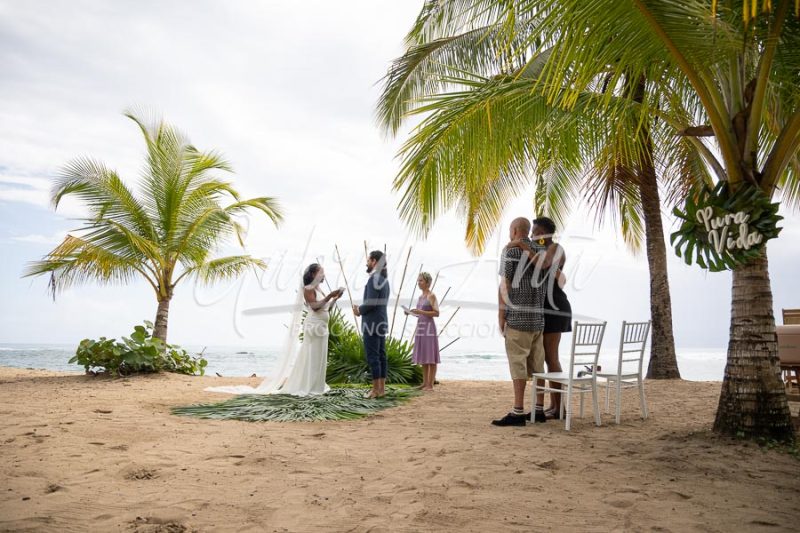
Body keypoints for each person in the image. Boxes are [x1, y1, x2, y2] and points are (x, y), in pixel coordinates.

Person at [205, 263, 342, 396]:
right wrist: (330, 296)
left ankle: (317, 385)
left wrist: (334, 299)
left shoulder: (319, 289)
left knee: (320, 357)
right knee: (312, 356)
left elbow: (326, 308)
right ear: (313, 274)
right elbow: (314, 306)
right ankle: (309, 386)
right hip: (314, 327)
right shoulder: (308, 288)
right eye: (321, 271)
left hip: (322, 327)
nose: (324, 274)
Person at [507, 216, 572, 419]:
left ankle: (559, 407)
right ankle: (552, 406)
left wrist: (521, 246)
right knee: (543, 358)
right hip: (543, 307)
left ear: (543, 233)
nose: (532, 236)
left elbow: (543, 266)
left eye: (535, 232)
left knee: (551, 358)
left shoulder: (555, 248)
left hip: (555, 307)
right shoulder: (541, 248)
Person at [493, 217, 547, 426]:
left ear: (515, 230)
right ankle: (539, 410)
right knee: (538, 365)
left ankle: (517, 412)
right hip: (537, 319)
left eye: (510, 230)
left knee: (518, 366)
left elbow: (505, 284)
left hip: (518, 318)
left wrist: (501, 314)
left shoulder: (511, 251)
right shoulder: (541, 251)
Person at [353, 250, 390, 399]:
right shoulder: (384, 279)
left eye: (368, 260)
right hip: (381, 321)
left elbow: (371, 303)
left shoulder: (374, 278)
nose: (366, 263)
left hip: (372, 323)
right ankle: (381, 389)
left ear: (374, 261)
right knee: (381, 356)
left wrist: (359, 310)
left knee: (374, 357)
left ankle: (375, 390)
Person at [406, 272, 440, 391]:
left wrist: (421, 312)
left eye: (421, 281)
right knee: (424, 356)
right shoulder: (420, 297)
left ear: (427, 282)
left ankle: (430, 385)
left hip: (429, 328)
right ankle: (424, 383)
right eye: (418, 280)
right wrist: (411, 313)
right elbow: (419, 314)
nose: (418, 283)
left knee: (431, 356)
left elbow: (436, 313)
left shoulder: (432, 296)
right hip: (420, 327)